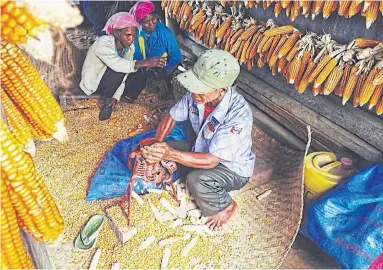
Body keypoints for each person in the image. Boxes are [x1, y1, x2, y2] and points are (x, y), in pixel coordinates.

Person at [141, 49, 256, 230]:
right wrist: (158, 144)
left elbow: (211, 161)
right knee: (166, 147)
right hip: (202, 149)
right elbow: (171, 117)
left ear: (222, 90)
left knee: (196, 180)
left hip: (232, 167)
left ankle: (226, 205)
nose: (194, 92)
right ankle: (169, 158)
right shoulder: (197, 95)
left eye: (201, 89)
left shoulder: (238, 115)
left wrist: (170, 153)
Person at [79, 12, 167, 121]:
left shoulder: (129, 48)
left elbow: (124, 75)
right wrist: (146, 62)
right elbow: (117, 65)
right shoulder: (103, 43)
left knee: (138, 71)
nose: (132, 39)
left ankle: (120, 99)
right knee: (126, 66)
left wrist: (116, 97)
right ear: (116, 32)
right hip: (93, 86)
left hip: (109, 83)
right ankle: (105, 100)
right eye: (128, 35)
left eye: (134, 35)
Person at [120, 0, 182, 103]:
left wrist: (166, 70)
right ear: (139, 22)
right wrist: (146, 66)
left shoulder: (164, 32)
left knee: (172, 73)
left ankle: (166, 94)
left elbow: (176, 55)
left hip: (162, 63)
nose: (152, 23)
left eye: (153, 19)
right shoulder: (134, 33)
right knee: (134, 71)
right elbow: (135, 53)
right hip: (145, 63)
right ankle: (129, 96)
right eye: (146, 21)